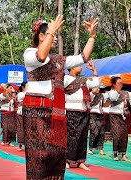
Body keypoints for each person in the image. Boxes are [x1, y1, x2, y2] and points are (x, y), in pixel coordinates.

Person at [22, 15, 98, 179]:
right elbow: (41, 56)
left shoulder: (58, 60)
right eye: (51, 34)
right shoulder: (29, 54)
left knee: (55, 154)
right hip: (36, 113)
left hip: (55, 115)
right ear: (41, 36)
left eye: (55, 35)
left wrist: (92, 37)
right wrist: (52, 31)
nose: (55, 37)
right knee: (39, 155)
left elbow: (83, 57)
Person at [65, 62, 101, 171]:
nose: (80, 67)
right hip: (71, 110)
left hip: (84, 110)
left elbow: (95, 83)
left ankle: (80, 161)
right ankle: (67, 160)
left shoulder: (83, 81)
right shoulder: (65, 79)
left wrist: (94, 70)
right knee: (71, 136)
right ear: (71, 68)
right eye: (78, 65)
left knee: (82, 136)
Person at [108, 77, 131, 161]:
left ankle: (123, 155)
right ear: (114, 84)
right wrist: (117, 90)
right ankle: (115, 154)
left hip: (124, 116)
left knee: (124, 135)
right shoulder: (111, 92)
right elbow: (113, 98)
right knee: (116, 134)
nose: (121, 85)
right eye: (119, 83)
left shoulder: (126, 93)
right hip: (114, 116)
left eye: (122, 83)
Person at [88, 87, 107, 155]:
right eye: (96, 88)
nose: (97, 89)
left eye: (98, 88)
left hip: (100, 115)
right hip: (93, 114)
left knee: (101, 133)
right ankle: (90, 148)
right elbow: (90, 98)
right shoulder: (90, 94)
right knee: (94, 131)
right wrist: (93, 92)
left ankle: (100, 149)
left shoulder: (101, 95)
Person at [16, 82, 26, 151]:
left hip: (27, 113)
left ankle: (26, 144)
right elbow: (24, 95)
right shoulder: (20, 94)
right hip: (20, 112)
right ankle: (20, 144)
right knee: (20, 128)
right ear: (23, 87)